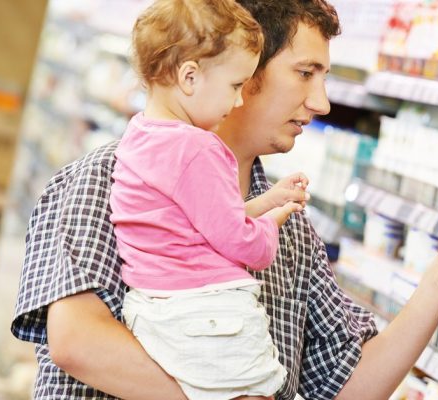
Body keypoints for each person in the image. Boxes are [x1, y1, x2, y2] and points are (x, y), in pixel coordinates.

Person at [11, 1, 438, 399]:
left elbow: (348, 385)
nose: (321, 102)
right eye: (306, 73)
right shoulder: (108, 178)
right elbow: (78, 342)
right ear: (241, 69)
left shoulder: (286, 221)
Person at [108, 0, 311, 399]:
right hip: (208, 316)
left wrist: (269, 200)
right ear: (189, 77)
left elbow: (201, 221)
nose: (238, 102)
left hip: (153, 313)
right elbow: (241, 242)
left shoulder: (139, 137)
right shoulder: (200, 148)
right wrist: (273, 226)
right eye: (235, 86)